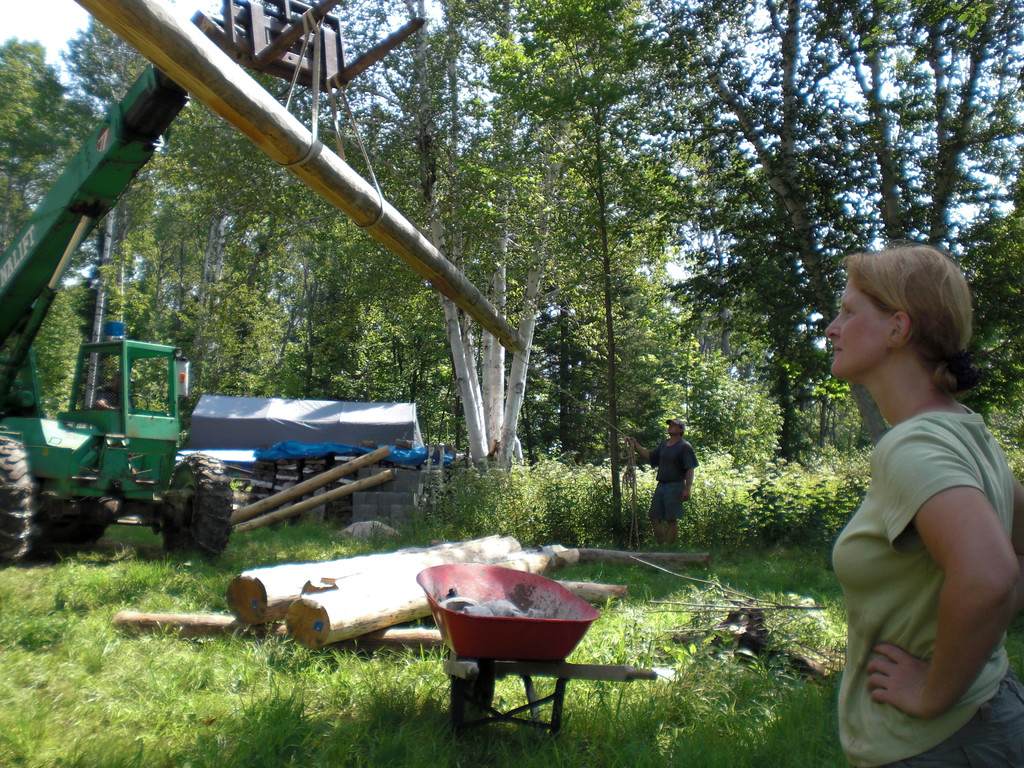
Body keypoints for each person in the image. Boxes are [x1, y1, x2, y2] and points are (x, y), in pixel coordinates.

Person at [827, 243, 1024, 767]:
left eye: (848, 312)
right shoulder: (968, 431)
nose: (832, 328)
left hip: (937, 740)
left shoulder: (913, 446)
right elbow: (1017, 549)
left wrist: (935, 691)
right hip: (986, 715)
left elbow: (990, 573)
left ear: (898, 329)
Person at [627, 418, 698, 548]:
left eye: (673, 425)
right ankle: (661, 545)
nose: (670, 426)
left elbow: (689, 469)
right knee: (654, 516)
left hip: (675, 485)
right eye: (669, 425)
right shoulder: (664, 444)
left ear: (680, 429)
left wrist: (687, 489)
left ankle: (669, 548)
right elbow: (649, 457)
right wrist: (635, 445)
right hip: (661, 485)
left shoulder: (684, 446)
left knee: (671, 519)